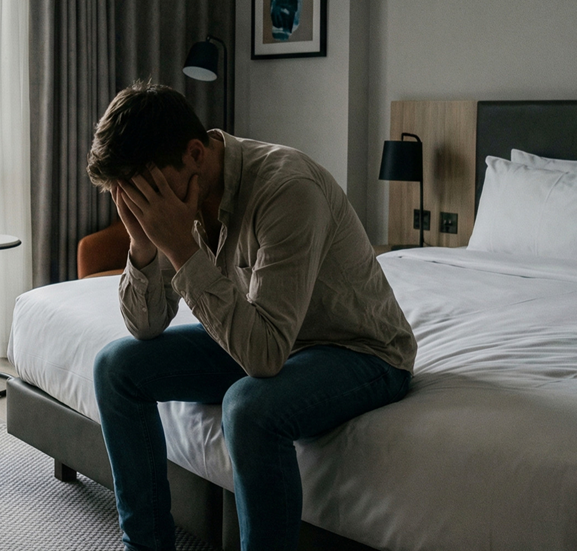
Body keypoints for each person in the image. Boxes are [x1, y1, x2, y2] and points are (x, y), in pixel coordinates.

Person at [85, 81, 416, 551]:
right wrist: (141, 244)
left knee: (249, 407)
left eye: (148, 193)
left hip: (359, 351)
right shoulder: (173, 196)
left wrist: (180, 248)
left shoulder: (287, 190)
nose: (145, 205)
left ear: (195, 154)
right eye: (132, 196)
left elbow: (263, 359)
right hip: (266, 334)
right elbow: (145, 325)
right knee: (115, 368)